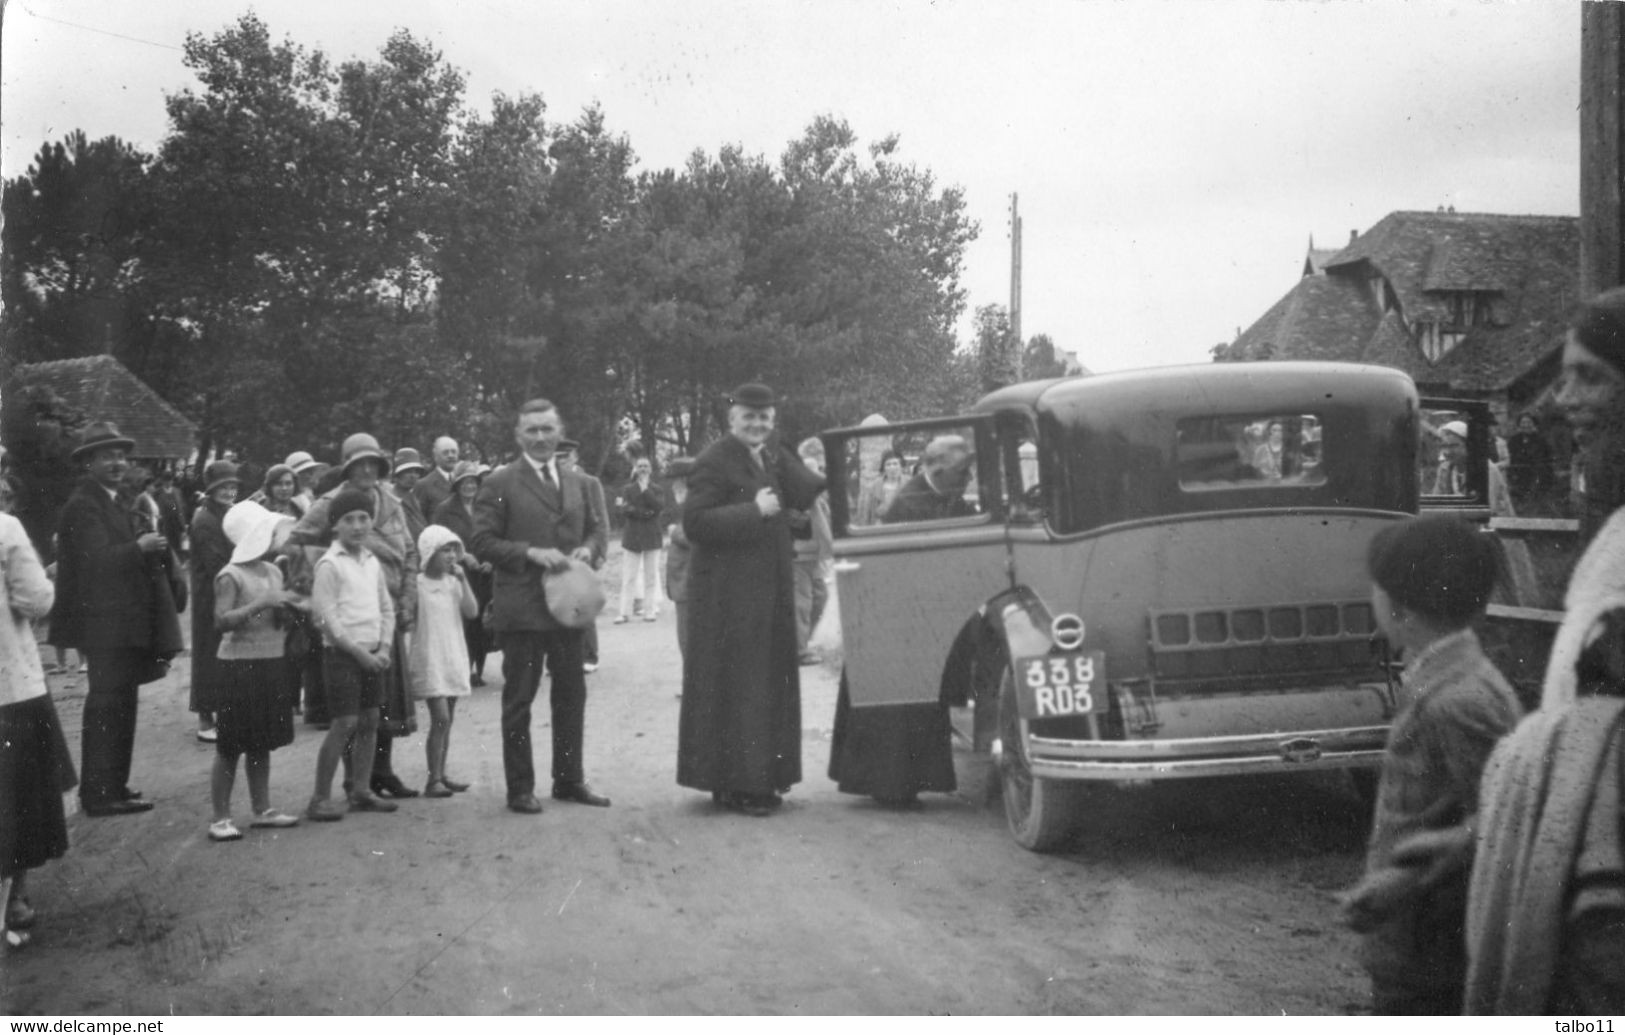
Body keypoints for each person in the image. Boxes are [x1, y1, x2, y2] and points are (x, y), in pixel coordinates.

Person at [1336, 516, 1521, 1015]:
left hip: (1431, 950)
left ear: (1400, 608)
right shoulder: (1442, 676)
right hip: (1412, 940)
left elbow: (1507, 821)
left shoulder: (1458, 699)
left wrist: (1405, 880)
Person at [677, 383, 825, 817]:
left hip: (769, 591)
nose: (757, 423)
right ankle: (740, 786)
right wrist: (753, 511)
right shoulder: (713, 460)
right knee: (740, 688)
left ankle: (759, 780)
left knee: (764, 685)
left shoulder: (773, 454)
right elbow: (696, 523)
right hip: (728, 599)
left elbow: (808, 490)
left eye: (765, 417)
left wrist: (814, 456)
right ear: (732, 418)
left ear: (773, 421)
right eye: (749, 416)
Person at [471, 398, 611, 814]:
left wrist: (588, 550)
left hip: (569, 608)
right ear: (518, 436)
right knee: (519, 700)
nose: (540, 437)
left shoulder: (578, 482)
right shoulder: (499, 483)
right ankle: (520, 788)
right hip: (523, 609)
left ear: (559, 431)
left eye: (547, 429)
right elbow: (481, 542)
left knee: (571, 694)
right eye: (531, 430)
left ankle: (569, 780)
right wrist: (531, 552)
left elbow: (597, 530)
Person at [49, 421, 183, 816]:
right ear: (88, 461)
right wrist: (138, 547)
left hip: (119, 626)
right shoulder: (83, 505)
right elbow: (95, 562)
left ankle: (115, 787)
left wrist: (143, 547)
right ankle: (99, 794)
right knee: (107, 706)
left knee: (121, 705)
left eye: (121, 455)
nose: (117, 462)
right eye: (107, 456)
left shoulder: (110, 500)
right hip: (103, 627)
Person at [828, 436, 967, 809]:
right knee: (901, 702)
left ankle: (904, 780)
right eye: (961, 471)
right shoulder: (910, 501)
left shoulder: (941, 493)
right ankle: (891, 785)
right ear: (937, 468)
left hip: (920, 609)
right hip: (900, 614)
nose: (967, 478)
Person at [287, 434, 419, 800]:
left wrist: (407, 599)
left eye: (373, 464)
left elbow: (409, 551)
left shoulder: (392, 502)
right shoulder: (329, 504)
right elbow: (294, 544)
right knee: (350, 710)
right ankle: (350, 781)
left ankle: (381, 774)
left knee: (384, 702)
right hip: (346, 623)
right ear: (346, 467)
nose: (366, 470)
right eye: (358, 463)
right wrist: (326, 576)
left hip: (387, 616)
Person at [207, 501, 306, 841]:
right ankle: (220, 817)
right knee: (231, 744)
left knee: (262, 740)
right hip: (238, 666)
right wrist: (262, 604)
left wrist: (290, 609)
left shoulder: (274, 571)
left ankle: (262, 808)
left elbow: (278, 617)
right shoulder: (230, 575)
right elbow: (221, 621)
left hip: (271, 661)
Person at [0, 503, 75, 948]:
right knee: (15, 794)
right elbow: (36, 599)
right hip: (8, 684)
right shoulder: (5, 527)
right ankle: (15, 897)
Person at [305, 486, 398, 821]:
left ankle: (360, 790)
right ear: (335, 526)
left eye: (363, 518)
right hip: (343, 656)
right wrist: (360, 653)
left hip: (374, 653)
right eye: (349, 520)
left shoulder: (371, 560)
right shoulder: (330, 565)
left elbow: (387, 608)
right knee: (345, 722)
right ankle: (318, 798)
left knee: (371, 719)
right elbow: (326, 619)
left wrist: (384, 645)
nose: (358, 525)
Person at [410, 524, 478, 798]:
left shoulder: (453, 583)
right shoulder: (417, 584)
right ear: (429, 553)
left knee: (448, 719)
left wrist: (463, 580)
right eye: (443, 550)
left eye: (453, 550)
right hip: (429, 655)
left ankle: (442, 772)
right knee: (440, 717)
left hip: (451, 654)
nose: (450, 556)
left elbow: (471, 612)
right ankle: (433, 778)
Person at [189, 460, 241, 744]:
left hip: (222, 589)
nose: (229, 491)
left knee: (223, 653)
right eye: (223, 487)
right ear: (211, 490)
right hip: (210, 594)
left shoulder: (225, 513)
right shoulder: (205, 519)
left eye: (232, 486)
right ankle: (205, 718)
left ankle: (220, 713)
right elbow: (216, 562)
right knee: (208, 653)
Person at [431, 461, 493, 687]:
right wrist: (463, 556)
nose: (469, 486)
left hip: (484, 574)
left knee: (482, 624)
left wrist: (490, 559)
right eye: (464, 482)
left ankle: (479, 668)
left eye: (473, 482)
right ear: (456, 485)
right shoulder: (445, 509)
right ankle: (462, 670)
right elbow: (438, 539)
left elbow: (494, 533)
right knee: (464, 621)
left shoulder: (485, 506)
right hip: (459, 573)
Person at [556, 439, 608, 672]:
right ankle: (561, 657)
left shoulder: (589, 482)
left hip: (584, 553)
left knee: (583, 604)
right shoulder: (550, 484)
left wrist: (599, 553)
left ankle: (589, 656)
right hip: (558, 555)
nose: (561, 461)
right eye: (557, 457)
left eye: (565, 456)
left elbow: (601, 521)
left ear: (575, 457)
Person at [790, 437, 833, 665]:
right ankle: (798, 650)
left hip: (815, 556)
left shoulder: (820, 497)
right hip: (798, 556)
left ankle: (801, 642)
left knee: (820, 597)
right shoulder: (797, 496)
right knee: (801, 603)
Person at [614, 456, 665, 624]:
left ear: (650, 469)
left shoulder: (657, 489)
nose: (643, 469)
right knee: (629, 577)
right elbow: (624, 509)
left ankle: (649, 611)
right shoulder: (627, 489)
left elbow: (658, 507)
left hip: (652, 536)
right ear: (636, 469)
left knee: (651, 576)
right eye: (640, 466)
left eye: (646, 466)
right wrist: (644, 513)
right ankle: (624, 612)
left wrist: (645, 491)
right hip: (632, 537)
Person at [886, 435, 976, 523]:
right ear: (937, 469)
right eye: (963, 471)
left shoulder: (948, 494)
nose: (970, 477)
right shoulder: (909, 506)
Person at [661, 458, 696, 664]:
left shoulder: (698, 503)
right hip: (682, 579)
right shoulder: (681, 504)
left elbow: (696, 537)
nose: (673, 486)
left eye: (676, 481)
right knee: (686, 636)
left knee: (689, 635)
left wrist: (674, 533)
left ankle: (696, 686)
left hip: (691, 579)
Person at [1503, 413, 1553, 507]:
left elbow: (1547, 458)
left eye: (1529, 422)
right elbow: (1510, 457)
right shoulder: (1514, 440)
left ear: (1534, 424)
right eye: (1523, 422)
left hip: (1536, 476)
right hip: (1518, 476)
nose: (1526, 425)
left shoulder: (1541, 440)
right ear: (1519, 425)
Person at [414, 436, 461, 518]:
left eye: (454, 452)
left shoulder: (461, 482)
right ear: (436, 457)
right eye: (445, 452)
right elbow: (418, 520)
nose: (450, 455)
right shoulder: (424, 485)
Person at [855, 450, 905, 525]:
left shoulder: (909, 483)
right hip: (880, 527)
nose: (892, 467)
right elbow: (866, 513)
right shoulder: (874, 486)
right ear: (884, 468)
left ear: (901, 466)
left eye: (895, 464)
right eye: (888, 464)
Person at [391, 447, 429, 544]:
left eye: (416, 471)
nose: (413, 476)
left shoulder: (414, 499)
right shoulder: (391, 501)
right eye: (407, 471)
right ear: (397, 474)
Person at [1430, 421, 1470, 496]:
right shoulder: (1444, 469)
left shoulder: (1485, 470)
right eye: (1444, 446)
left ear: (1467, 445)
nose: (1447, 452)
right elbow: (1436, 501)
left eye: (1453, 446)